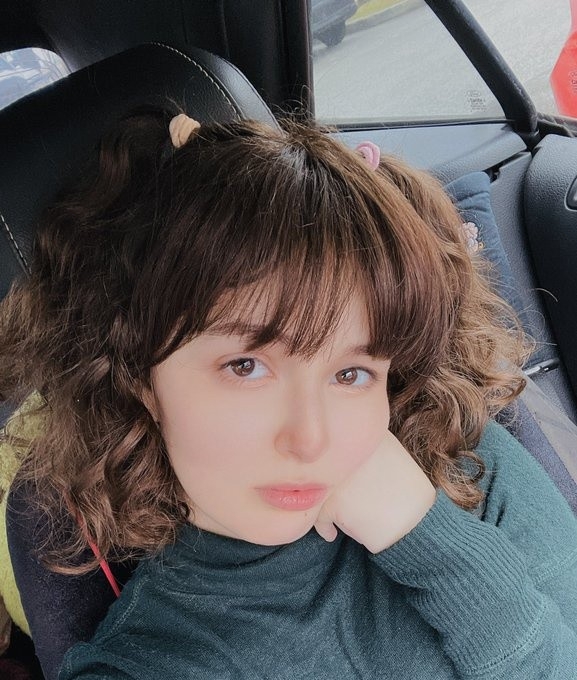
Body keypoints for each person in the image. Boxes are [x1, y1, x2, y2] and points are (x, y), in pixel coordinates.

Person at [0, 109, 576, 680]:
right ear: (141, 380)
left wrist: (429, 540)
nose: (310, 439)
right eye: (245, 366)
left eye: (351, 374)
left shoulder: (467, 460)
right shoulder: (149, 662)